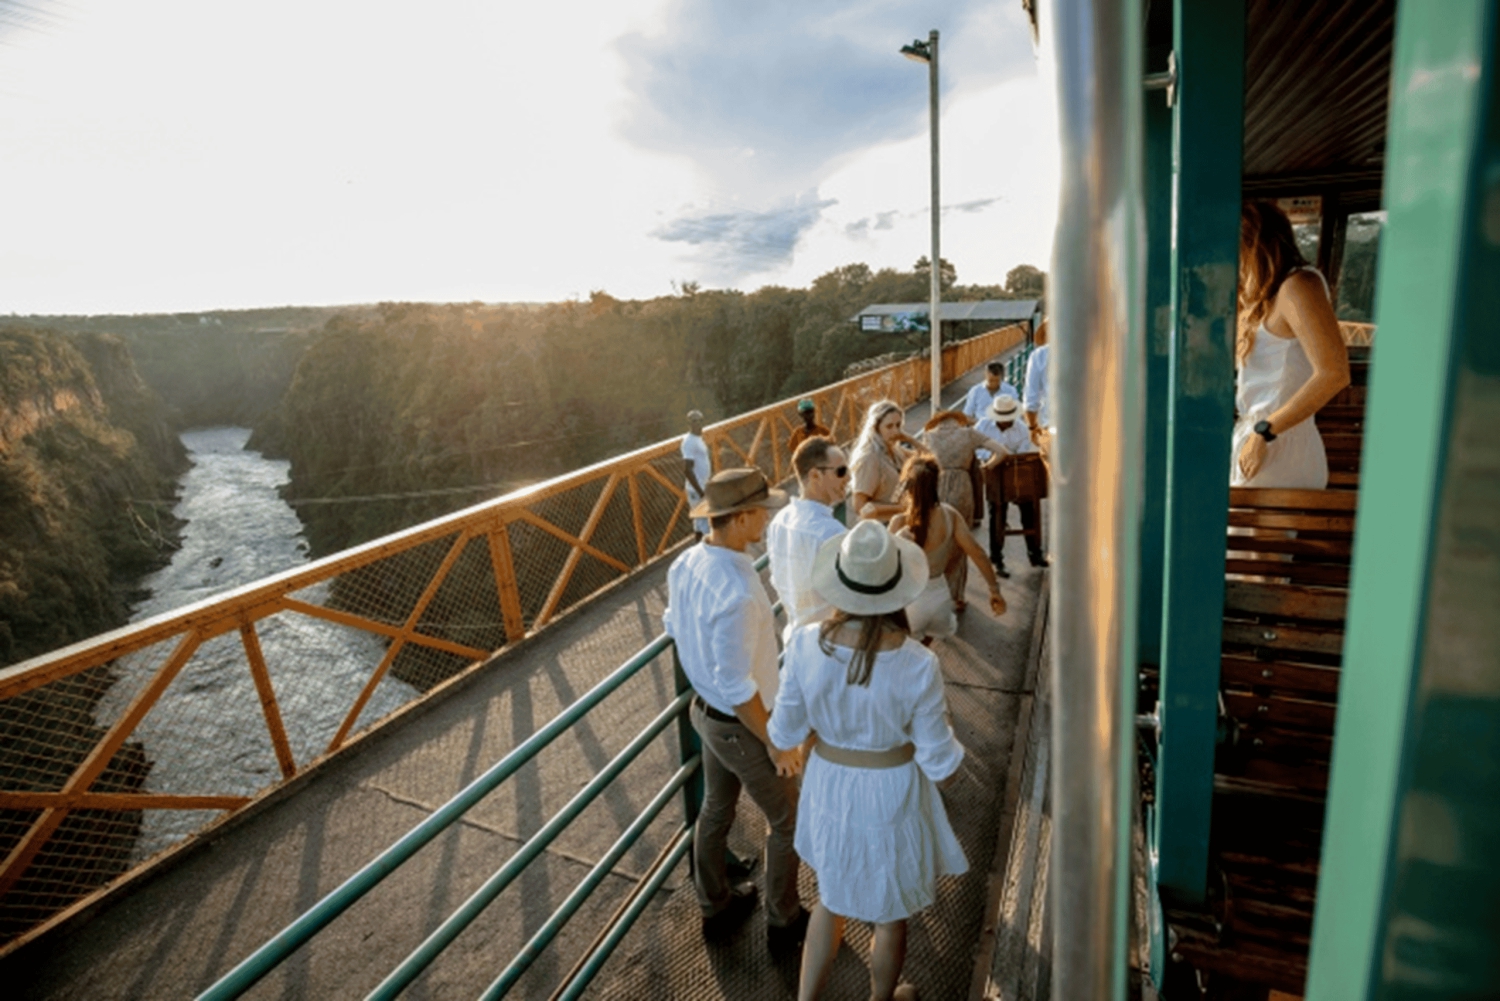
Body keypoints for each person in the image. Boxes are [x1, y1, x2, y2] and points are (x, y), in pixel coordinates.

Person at [768, 520, 968, 1001]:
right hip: (891, 789)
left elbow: (784, 732)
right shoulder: (918, 663)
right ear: (897, 589)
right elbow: (940, 763)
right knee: (890, 911)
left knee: (829, 899)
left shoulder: (802, 644)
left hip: (829, 783)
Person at [663, 468, 810, 948]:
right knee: (788, 820)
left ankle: (716, 905)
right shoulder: (742, 593)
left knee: (715, 807)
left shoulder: (686, 563)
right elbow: (738, 685)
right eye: (763, 512)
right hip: (741, 724)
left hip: (705, 715)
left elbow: (674, 624)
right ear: (743, 517)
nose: (768, 519)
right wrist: (776, 742)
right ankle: (784, 920)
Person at [1232, 200, 1350, 488]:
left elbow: (1334, 373)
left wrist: (1265, 431)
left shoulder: (1299, 286)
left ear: (1253, 244)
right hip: (1258, 442)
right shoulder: (1264, 296)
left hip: (1279, 442)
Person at [889, 455, 1006, 639]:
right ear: (936, 482)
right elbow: (977, 552)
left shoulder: (899, 522)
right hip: (940, 601)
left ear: (906, 486)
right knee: (927, 647)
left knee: (908, 656)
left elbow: (885, 568)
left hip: (910, 603)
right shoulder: (950, 515)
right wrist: (994, 590)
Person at [767, 436, 850, 643]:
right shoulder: (832, 533)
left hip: (796, 639)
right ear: (815, 475)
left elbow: (778, 581)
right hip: (830, 643)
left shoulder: (779, 521)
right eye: (841, 471)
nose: (848, 478)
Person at [976, 395, 1044, 576]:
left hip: (1017, 474)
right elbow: (975, 447)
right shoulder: (983, 426)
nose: (1005, 422)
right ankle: (996, 557)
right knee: (996, 515)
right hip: (993, 474)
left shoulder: (1021, 429)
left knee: (1029, 511)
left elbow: (1022, 452)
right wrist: (989, 457)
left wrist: (1005, 458)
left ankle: (1034, 552)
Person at [919, 409, 1003, 530]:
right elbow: (1001, 452)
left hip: (937, 483)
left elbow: (920, 460)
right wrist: (986, 467)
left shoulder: (929, 436)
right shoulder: (969, 433)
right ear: (958, 421)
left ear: (937, 422)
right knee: (961, 527)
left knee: (941, 527)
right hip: (963, 482)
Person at [849, 400, 921, 522]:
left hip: (900, 521)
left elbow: (930, 460)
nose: (896, 431)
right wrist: (901, 508)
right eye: (889, 426)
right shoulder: (870, 458)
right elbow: (859, 506)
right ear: (876, 428)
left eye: (898, 425)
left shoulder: (895, 451)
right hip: (881, 527)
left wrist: (910, 439)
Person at [681, 410, 712, 540]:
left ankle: (699, 550)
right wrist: (700, 492)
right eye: (694, 421)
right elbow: (687, 469)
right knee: (704, 523)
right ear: (689, 424)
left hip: (703, 485)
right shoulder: (689, 442)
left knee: (700, 523)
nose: (698, 424)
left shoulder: (698, 438)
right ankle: (703, 552)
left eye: (700, 421)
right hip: (696, 489)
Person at [1023, 319, 1050, 445]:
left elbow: (1031, 399)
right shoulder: (1093, 351)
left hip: (1052, 426)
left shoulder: (1039, 355)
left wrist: (1032, 427)